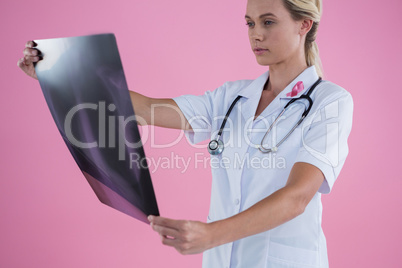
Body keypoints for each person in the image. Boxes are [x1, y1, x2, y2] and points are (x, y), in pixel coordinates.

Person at [18, 0, 353, 267]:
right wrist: (57, 74)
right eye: (250, 23)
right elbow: (146, 109)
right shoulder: (232, 97)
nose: (255, 34)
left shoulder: (330, 102)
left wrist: (211, 234)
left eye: (268, 21)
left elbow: (298, 197)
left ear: (304, 25)